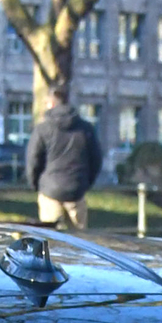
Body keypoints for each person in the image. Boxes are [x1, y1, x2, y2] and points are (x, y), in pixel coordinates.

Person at [24, 87, 103, 231]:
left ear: (52, 104)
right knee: (79, 242)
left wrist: (36, 184)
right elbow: (96, 160)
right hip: (76, 190)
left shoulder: (43, 129)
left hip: (50, 190)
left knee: (50, 239)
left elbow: (33, 160)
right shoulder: (86, 129)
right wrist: (85, 183)